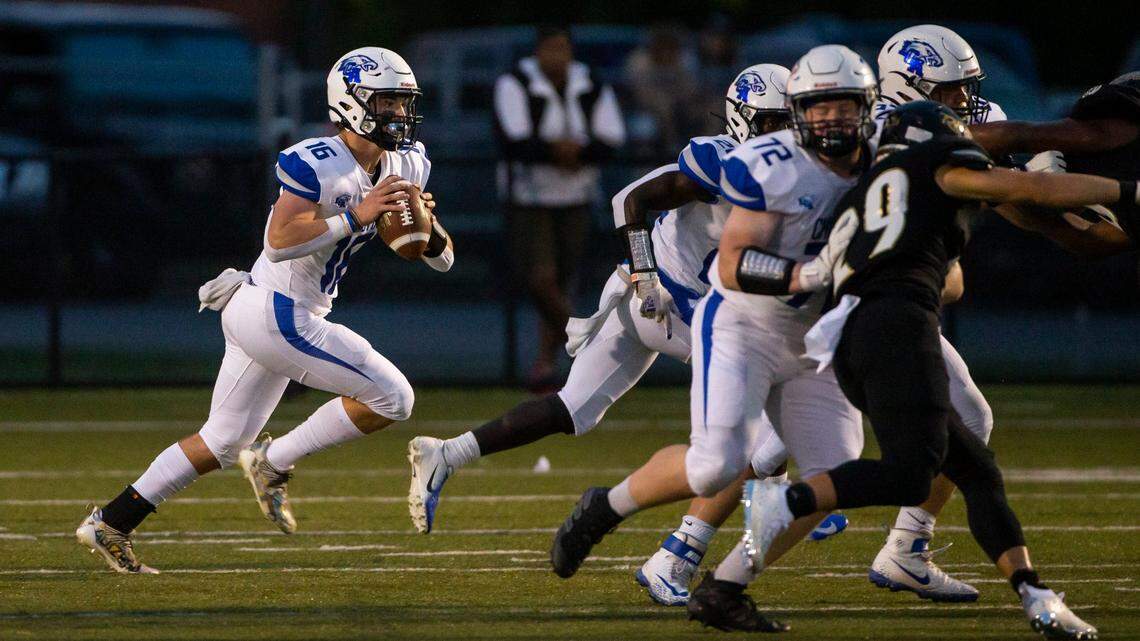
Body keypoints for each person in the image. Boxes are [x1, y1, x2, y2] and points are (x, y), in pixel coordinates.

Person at [741, 100, 1130, 639]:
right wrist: (1129, 191)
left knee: (975, 465)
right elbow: (1032, 192)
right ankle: (787, 499)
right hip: (891, 328)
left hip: (857, 328)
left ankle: (1035, 595)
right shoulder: (933, 171)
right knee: (910, 471)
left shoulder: (866, 189)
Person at [75, 47, 454, 573]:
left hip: (269, 312)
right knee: (394, 397)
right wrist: (357, 215)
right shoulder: (317, 160)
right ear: (351, 102)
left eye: (402, 102)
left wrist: (426, 229)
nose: (398, 114)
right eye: (386, 102)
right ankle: (274, 461)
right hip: (278, 311)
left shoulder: (410, 161)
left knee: (221, 441)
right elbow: (278, 241)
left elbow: (442, 259)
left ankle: (110, 522)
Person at [547, 45, 879, 633]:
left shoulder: (881, 164)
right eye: (817, 108)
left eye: (847, 107)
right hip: (741, 322)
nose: (833, 122)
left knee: (829, 480)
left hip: (811, 336)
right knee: (715, 466)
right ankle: (610, 507)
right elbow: (729, 265)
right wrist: (805, 275)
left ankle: (716, 580)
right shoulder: (762, 163)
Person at [407, 65, 801, 554]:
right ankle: (753, 515)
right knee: (775, 385)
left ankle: (446, 453)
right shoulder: (718, 162)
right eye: (771, 123)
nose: (783, 135)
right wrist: (647, 273)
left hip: (659, 300)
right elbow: (629, 199)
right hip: (665, 301)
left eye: (790, 122)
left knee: (573, 409)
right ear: (741, 120)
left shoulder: (788, 171)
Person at [493, 25, 626, 390]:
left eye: (562, 48)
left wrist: (575, 153)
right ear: (537, 52)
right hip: (529, 196)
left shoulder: (590, 83)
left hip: (577, 194)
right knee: (539, 277)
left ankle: (545, 365)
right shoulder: (516, 82)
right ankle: (589, 343)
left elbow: (612, 137)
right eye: (549, 48)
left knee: (563, 279)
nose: (556, 57)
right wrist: (559, 151)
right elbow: (514, 139)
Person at [972, 71, 1140, 256]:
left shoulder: (1107, 138)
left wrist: (1018, 184)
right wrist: (1018, 184)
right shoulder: (1108, 134)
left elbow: (1091, 241)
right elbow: (1022, 136)